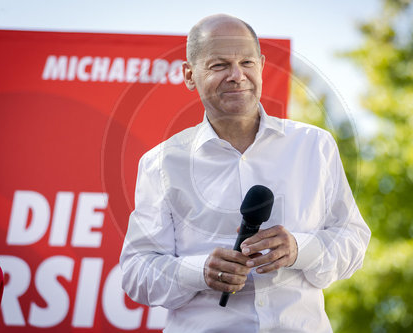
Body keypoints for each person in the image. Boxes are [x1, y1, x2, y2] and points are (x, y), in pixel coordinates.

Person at [120, 14, 371, 332]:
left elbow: (353, 241)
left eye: (247, 63)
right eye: (219, 65)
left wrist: (298, 249)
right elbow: (136, 272)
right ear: (189, 75)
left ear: (262, 66)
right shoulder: (162, 163)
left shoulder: (314, 146)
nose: (237, 76)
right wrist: (200, 271)